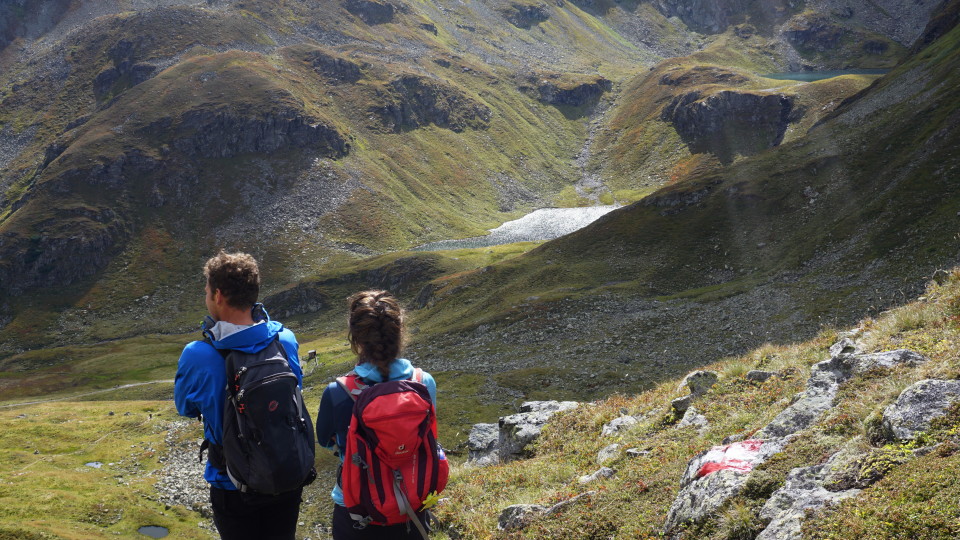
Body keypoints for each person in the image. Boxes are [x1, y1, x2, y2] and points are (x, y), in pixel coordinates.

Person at [174, 251, 306, 540]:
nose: (206, 297)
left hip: (232, 482)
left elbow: (185, 407)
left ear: (218, 295)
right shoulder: (285, 341)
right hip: (286, 473)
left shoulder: (198, 355)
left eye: (207, 291)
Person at [316, 290, 438, 539]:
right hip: (412, 502)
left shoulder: (338, 392)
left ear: (356, 339)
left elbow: (326, 441)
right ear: (399, 331)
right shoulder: (424, 383)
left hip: (356, 509)